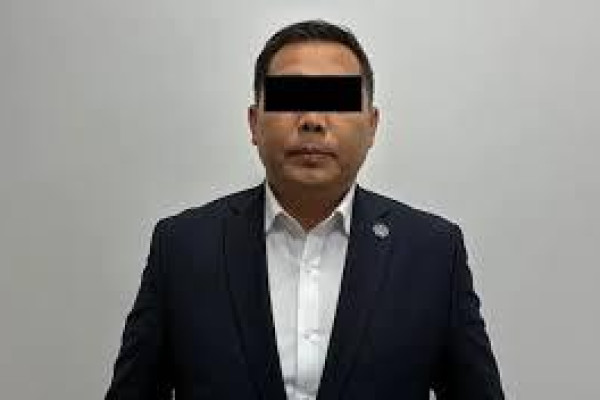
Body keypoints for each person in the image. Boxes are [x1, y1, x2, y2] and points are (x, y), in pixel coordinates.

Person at [105, 19, 504, 399]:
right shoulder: (182, 248)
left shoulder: (433, 253)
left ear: (372, 126)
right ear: (254, 123)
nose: (312, 120)